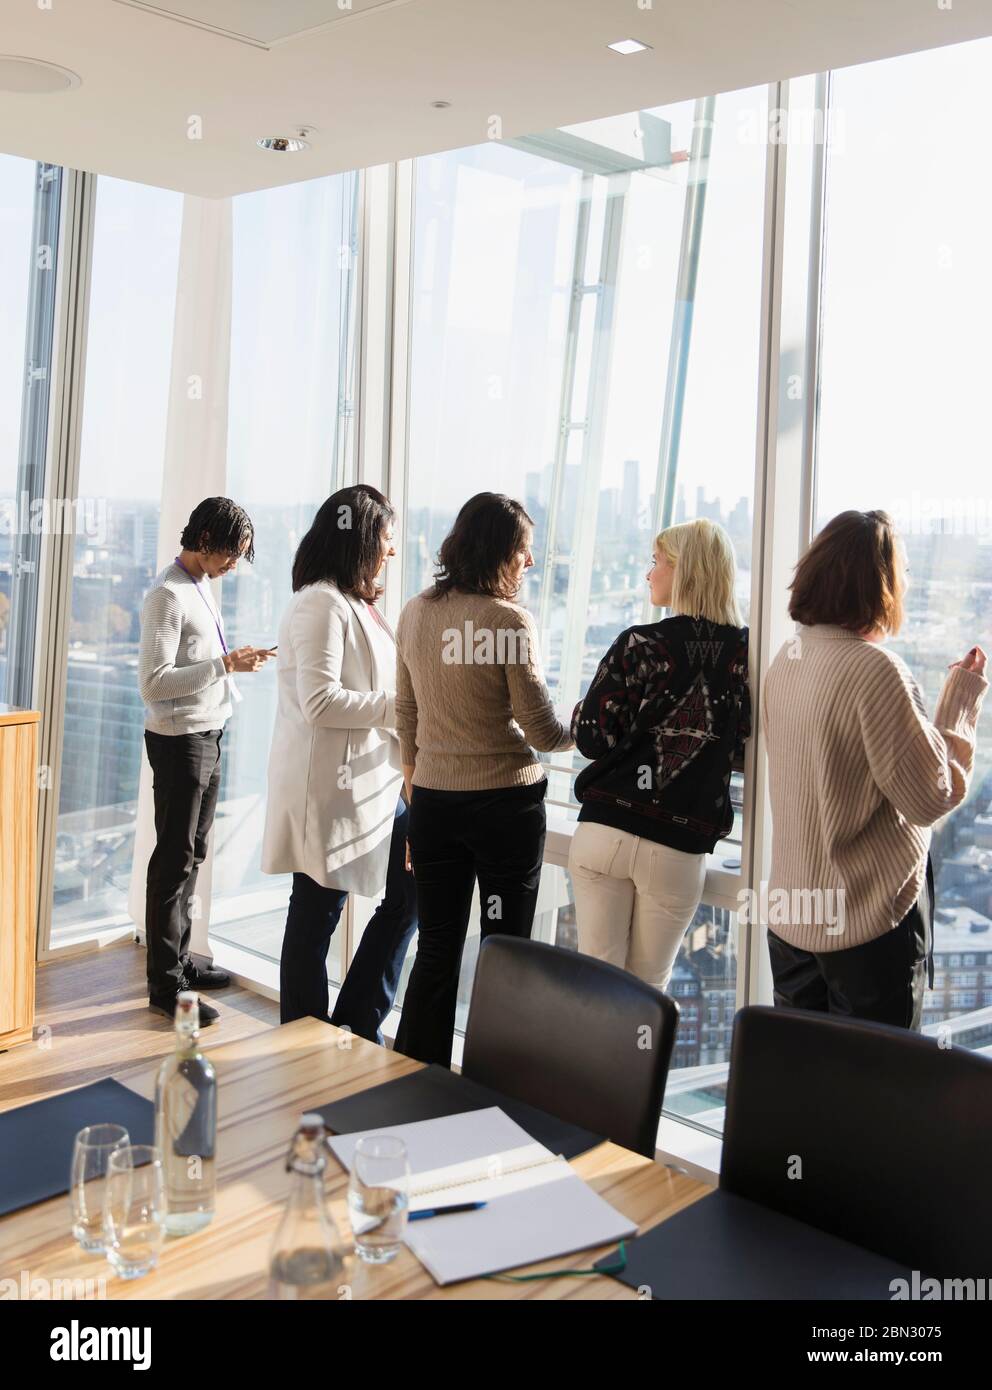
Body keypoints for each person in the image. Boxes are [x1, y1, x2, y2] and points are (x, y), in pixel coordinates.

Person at [762, 509, 987, 1029]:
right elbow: (933, 795)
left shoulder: (787, 659)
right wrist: (959, 705)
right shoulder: (876, 670)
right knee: (874, 1093)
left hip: (794, 922)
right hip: (866, 929)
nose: (907, 583)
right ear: (878, 582)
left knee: (808, 1082)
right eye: (902, 571)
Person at [393, 492, 573, 1067]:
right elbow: (542, 731)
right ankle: (492, 1084)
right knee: (503, 946)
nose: (530, 564)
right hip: (504, 808)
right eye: (524, 552)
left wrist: (415, 789)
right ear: (500, 553)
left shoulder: (416, 611)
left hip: (435, 804)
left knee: (438, 944)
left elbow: (407, 715)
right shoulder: (509, 621)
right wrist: (592, 728)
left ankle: (418, 1076)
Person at [261, 485, 417, 1044]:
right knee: (316, 912)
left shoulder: (360, 606)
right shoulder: (320, 603)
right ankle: (302, 1039)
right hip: (329, 790)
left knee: (407, 892)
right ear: (360, 537)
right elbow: (321, 702)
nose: (392, 552)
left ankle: (353, 1021)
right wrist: (403, 708)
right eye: (386, 539)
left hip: (375, 787)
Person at [569, 518, 750, 989]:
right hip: (677, 845)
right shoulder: (744, 656)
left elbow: (592, 740)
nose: (649, 574)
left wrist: (577, 715)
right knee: (648, 992)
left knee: (596, 987)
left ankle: (583, 1066)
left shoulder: (639, 644)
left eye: (657, 562)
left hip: (604, 832)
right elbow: (743, 744)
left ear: (684, 570)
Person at [139, 496, 274, 1024]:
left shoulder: (202, 587)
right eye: (232, 553)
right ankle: (165, 985)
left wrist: (228, 666)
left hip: (208, 733)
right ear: (205, 541)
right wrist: (226, 664)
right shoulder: (166, 595)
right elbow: (152, 684)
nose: (235, 564)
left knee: (192, 855)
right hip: (180, 741)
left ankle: (181, 963)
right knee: (173, 861)